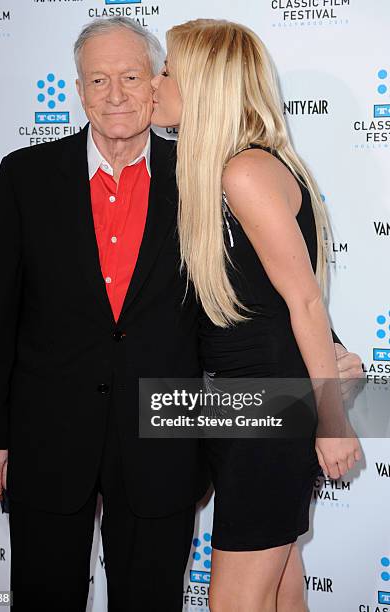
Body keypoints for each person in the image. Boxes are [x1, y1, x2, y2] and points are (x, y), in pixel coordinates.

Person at [0, 17, 361, 612]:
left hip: (175, 438)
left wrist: (328, 384)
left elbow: (285, 290)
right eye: (98, 79)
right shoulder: (25, 175)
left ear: (159, 83)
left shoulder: (205, 174)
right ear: (77, 89)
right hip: (55, 436)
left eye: (135, 75)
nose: (118, 94)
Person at [151, 18, 362, 612]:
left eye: (168, 70)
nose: (157, 83)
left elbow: (303, 299)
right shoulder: (226, 171)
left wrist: (332, 421)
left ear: (204, 83)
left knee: (236, 598)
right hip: (241, 405)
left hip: (270, 409)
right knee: (280, 581)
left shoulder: (244, 171)